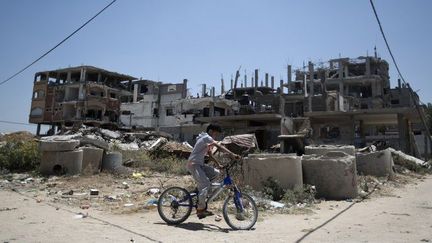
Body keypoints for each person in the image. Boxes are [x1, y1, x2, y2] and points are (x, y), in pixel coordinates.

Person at [186, 124, 240, 219]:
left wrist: (218, 164)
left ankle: (201, 191)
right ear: (211, 131)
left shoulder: (207, 142)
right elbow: (218, 146)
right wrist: (232, 154)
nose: (216, 137)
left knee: (216, 173)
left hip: (200, 165)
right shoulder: (206, 138)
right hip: (193, 164)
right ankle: (201, 210)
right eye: (215, 134)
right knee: (205, 184)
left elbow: (210, 155)